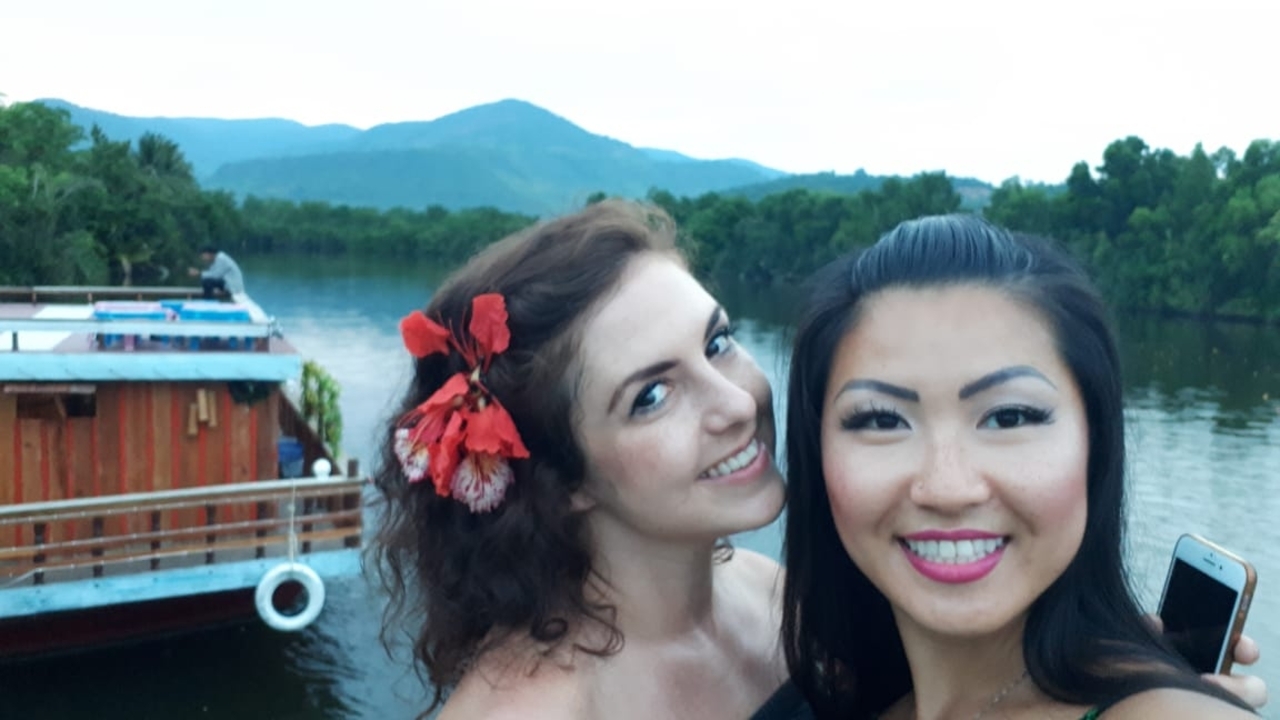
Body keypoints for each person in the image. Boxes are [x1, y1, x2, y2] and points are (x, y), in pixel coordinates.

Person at [780, 214, 1265, 719]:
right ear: (816, 455)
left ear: (1095, 443)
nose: (948, 488)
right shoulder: (842, 699)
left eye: (1009, 416)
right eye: (882, 420)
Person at [371, 200, 792, 719]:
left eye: (717, 342)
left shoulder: (774, 594)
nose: (738, 403)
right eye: (652, 396)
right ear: (561, 479)